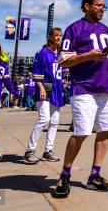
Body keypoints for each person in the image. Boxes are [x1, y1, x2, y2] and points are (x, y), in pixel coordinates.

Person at [52, 0, 108, 198]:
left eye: (104, 6)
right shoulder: (74, 29)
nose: (102, 9)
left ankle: (95, 175)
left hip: (105, 88)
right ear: (86, 6)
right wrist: (87, 56)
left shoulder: (107, 30)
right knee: (81, 132)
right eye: (99, 5)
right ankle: (65, 174)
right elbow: (63, 61)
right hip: (83, 88)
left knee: (105, 130)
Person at [24, 27, 65, 164]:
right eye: (56, 35)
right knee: (44, 119)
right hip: (45, 88)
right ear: (50, 37)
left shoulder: (60, 53)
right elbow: (37, 70)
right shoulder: (43, 52)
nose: (59, 38)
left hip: (57, 89)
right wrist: (40, 87)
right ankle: (30, 150)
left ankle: (48, 150)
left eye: (60, 35)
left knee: (54, 122)